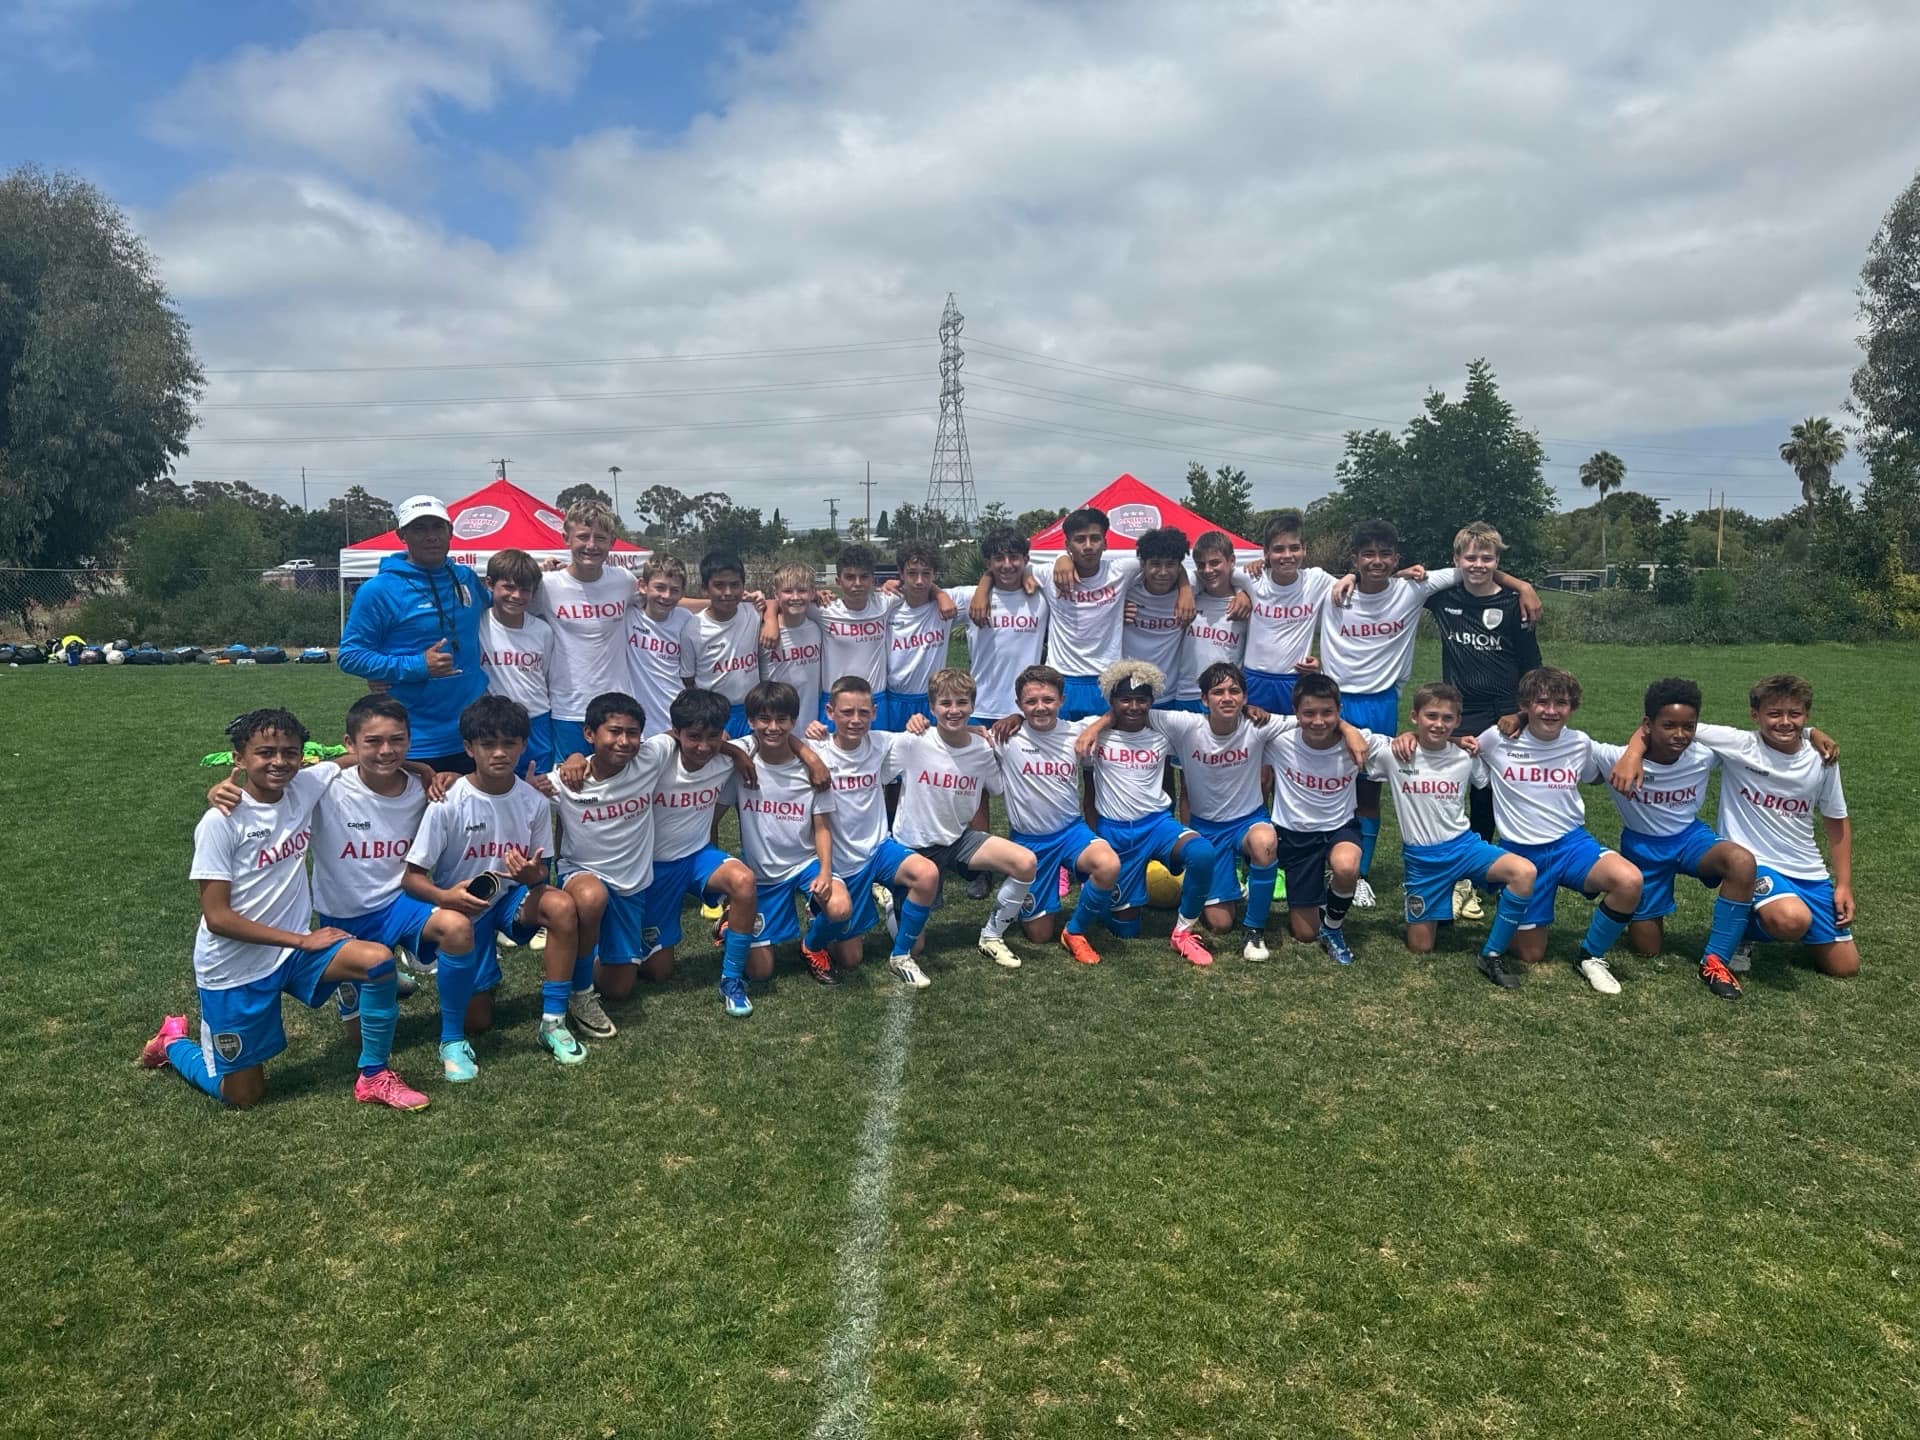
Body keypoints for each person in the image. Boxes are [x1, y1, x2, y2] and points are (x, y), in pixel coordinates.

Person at [138, 708, 429, 1112]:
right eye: (265, 753)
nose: (279, 762)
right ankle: (173, 1043)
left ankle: (374, 1077)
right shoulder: (220, 822)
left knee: (377, 961)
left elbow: (361, 758)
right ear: (239, 759)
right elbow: (218, 919)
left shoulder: (304, 786)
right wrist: (301, 940)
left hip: (291, 954)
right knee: (243, 1096)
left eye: (290, 753)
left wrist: (423, 770)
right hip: (235, 967)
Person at [1621, 674, 1855, 979]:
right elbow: (1662, 724)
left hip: (1807, 868)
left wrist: (1844, 884)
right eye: (1774, 714)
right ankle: (1745, 931)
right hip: (1756, 864)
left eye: (1795, 714)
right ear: (1755, 715)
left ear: (1806, 715)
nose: (1785, 722)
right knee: (1792, 920)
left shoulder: (1822, 757)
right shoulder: (1738, 744)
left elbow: (1837, 821)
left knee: (1845, 967)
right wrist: (1632, 754)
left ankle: (1778, 918)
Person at [403, 695, 588, 1079]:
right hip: (463, 910)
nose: (500, 753)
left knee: (560, 904)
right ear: (469, 748)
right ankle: (453, 1039)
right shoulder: (448, 801)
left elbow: (542, 874)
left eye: (509, 743)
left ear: (523, 745)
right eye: (488, 744)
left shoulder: (533, 801)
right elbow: (412, 877)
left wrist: (532, 877)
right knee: (478, 1021)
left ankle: (552, 1022)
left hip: (510, 900)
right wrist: (445, 897)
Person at [1077, 660, 1285, 960]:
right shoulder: (1092, 731)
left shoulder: (1164, 731)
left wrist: (1245, 709)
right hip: (1119, 831)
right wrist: (1096, 726)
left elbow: (1302, 722)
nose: (1134, 707)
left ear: (1152, 702)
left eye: (1142, 700)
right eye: (1125, 700)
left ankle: (1185, 932)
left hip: (1158, 824)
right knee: (1128, 929)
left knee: (1203, 852)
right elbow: (1053, 729)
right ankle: (1108, 899)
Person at [1472, 667, 1643, 994]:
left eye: (1561, 703)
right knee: (1531, 954)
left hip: (1571, 845)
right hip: (1521, 852)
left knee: (1629, 880)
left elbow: (1598, 771)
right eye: (1542, 702)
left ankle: (1590, 956)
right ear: (1525, 704)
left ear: (1572, 707)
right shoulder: (1497, 738)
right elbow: (1457, 745)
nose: (1551, 711)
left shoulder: (1580, 743)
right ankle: (1511, 903)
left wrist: (1632, 756)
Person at [1420, 522, 1544, 919]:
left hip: (1503, 714)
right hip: (1458, 712)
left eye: (1487, 558)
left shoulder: (1513, 603)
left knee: (1489, 796)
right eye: (1470, 557)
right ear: (1456, 560)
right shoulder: (1444, 598)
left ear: (1497, 561)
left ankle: (1477, 876)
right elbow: (1393, 586)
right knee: (1450, 793)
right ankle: (1450, 873)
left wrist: (1520, 713)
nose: (1478, 565)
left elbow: (1532, 666)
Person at [1380, 683, 1537, 988]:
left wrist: (1457, 742)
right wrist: (1407, 736)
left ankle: (1491, 954)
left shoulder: (1466, 757)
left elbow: (1485, 781)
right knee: (1421, 947)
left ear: (1458, 721)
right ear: (1414, 716)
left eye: (1447, 718)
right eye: (1431, 716)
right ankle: (1434, 909)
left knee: (1524, 872)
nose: (1439, 724)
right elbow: (1353, 739)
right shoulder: (1395, 754)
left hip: (1464, 847)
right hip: (1423, 860)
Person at [887, 667, 1041, 972]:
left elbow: (995, 786)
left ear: (972, 706)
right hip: (914, 848)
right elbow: (874, 765)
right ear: (932, 708)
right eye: (945, 703)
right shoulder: (913, 741)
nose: (954, 710)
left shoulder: (982, 750)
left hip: (958, 839)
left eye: (962, 703)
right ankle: (894, 902)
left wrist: (980, 735)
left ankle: (992, 935)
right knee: (915, 947)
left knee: (1025, 863)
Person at [801, 677, 945, 985]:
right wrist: (805, 744)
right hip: (839, 861)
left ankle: (901, 956)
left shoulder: (882, 742)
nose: (855, 720)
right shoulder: (815, 748)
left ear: (874, 713)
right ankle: (817, 919)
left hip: (879, 848)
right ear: (829, 712)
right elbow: (778, 742)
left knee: (927, 874)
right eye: (846, 712)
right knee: (850, 958)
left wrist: (921, 722)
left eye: (863, 712)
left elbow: (945, 735)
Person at [628, 689, 762, 1009]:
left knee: (743, 881)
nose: (703, 747)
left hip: (698, 857)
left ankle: (731, 980)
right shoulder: (658, 755)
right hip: (655, 868)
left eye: (713, 737)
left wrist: (734, 750)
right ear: (676, 732)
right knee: (659, 972)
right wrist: (575, 761)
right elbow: (613, 757)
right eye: (694, 737)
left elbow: (773, 738)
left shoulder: (724, 757)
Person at [721, 681, 851, 1003]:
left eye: (782, 719)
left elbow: (822, 827)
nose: (773, 727)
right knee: (760, 971)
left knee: (840, 908)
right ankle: (732, 919)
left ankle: (812, 945)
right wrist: (723, 878)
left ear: (794, 721)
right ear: (750, 721)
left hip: (804, 864)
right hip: (762, 874)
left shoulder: (814, 768)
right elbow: (712, 815)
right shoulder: (742, 764)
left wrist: (825, 872)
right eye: (764, 719)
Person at [338, 494, 489, 770]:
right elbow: (350, 655)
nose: (431, 536)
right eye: (419, 528)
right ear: (402, 535)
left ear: (450, 532)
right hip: (413, 738)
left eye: (438, 527)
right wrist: (417, 665)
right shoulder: (379, 590)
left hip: (472, 732)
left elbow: (503, 602)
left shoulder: (465, 577)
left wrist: (549, 574)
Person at [986, 665, 1124, 965]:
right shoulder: (1005, 736)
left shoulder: (1076, 731)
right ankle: (1028, 888)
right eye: (1031, 701)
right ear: (1019, 704)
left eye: (1048, 699)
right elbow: (966, 734)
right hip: (1029, 842)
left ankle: (1074, 931)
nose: (1040, 707)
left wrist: (1094, 728)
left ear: (1062, 700)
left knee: (1109, 864)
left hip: (1070, 832)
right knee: (1039, 935)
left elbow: (1117, 712)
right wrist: (1014, 719)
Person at [544, 690, 659, 1040]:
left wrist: (737, 753)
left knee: (619, 989)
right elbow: (511, 795)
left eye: (633, 733)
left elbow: (684, 734)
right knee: (591, 897)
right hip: (581, 874)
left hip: (631, 885)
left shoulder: (651, 758)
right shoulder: (564, 780)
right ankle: (579, 993)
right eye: (614, 731)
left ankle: (576, 957)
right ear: (590, 734)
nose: (624, 741)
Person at [1253, 673, 1383, 965]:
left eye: (1328, 712)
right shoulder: (1280, 741)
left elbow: (1407, 746)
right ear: (1295, 713)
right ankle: (1325, 901)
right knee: (1304, 933)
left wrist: (1411, 737)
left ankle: (1333, 928)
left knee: (1346, 866)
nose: (1319, 721)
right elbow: (1238, 725)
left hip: (1340, 829)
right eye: (1309, 713)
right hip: (1296, 837)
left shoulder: (1359, 742)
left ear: (1340, 711)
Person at [1043, 508, 1193, 721]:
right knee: (1063, 740)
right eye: (1080, 539)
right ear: (1068, 545)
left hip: (1118, 682)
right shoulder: (1048, 574)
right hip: (1065, 677)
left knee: (1107, 740)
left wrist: (1185, 589)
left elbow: (1170, 561)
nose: (1162, 571)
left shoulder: (1122, 571)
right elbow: (1015, 571)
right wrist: (1062, 558)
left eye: (1095, 538)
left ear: (1105, 543)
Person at [531, 499, 638, 744]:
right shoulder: (546, 585)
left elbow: (663, 601)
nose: (591, 545)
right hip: (568, 709)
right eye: (582, 536)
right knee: (570, 770)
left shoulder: (624, 581)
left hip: (617, 710)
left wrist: (724, 603)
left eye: (600, 538)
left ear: (612, 542)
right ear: (566, 538)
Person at [1239, 510, 1337, 717]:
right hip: (1255, 679)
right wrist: (1240, 592)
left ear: (1304, 549)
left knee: (1295, 735)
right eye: (1278, 549)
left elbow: (1355, 588)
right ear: (1266, 552)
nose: (1287, 555)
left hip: (1294, 680)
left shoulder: (1316, 580)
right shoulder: (1252, 578)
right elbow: (1213, 576)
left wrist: (1353, 577)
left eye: (1294, 548)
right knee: (1253, 734)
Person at [477, 548, 556, 772]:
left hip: (536, 720)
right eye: (509, 587)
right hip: (491, 723)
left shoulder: (542, 630)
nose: (517, 596)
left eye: (525, 589)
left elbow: (546, 676)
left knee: (538, 786)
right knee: (496, 785)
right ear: (490, 584)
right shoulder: (477, 624)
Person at [962, 527, 1051, 723]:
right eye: (999, 558)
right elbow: (923, 595)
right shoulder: (970, 597)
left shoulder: (1042, 597)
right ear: (988, 563)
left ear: (1026, 559)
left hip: (1027, 708)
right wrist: (937, 593)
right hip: (979, 708)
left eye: (1014, 557)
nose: (1007, 564)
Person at [885, 542, 961, 730]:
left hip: (934, 700)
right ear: (900, 573)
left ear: (934, 574)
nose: (919, 581)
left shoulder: (950, 601)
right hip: (894, 700)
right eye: (912, 573)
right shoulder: (887, 606)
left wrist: (940, 594)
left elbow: (997, 583)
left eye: (926, 573)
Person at [687, 550, 763, 738]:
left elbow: (782, 602)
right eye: (719, 585)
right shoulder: (692, 629)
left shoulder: (753, 612)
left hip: (752, 711)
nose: (728, 592)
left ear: (743, 587)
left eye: (735, 585)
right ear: (705, 589)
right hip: (715, 716)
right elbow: (688, 680)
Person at [1174, 531, 1249, 713]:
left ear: (1231, 560)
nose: (1207, 570)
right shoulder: (1189, 599)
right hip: (1186, 695)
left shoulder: (1246, 606)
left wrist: (1243, 592)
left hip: (1224, 698)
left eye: (1215, 563)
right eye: (1201, 565)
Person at [625, 553, 697, 740]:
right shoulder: (627, 616)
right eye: (660, 587)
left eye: (674, 590)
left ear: (682, 592)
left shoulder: (686, 620)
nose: (666, 596)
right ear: (643, 586)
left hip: (677, 717)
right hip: (639, 723)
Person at [760, 560, 826, 726]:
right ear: (776, 594)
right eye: (788, 591)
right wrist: (770, 619)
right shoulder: (763, 632)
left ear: (812, 592)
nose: (795, 597)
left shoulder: (817, 628)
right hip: (774, 725)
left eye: (802, 591)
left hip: (810, 723)